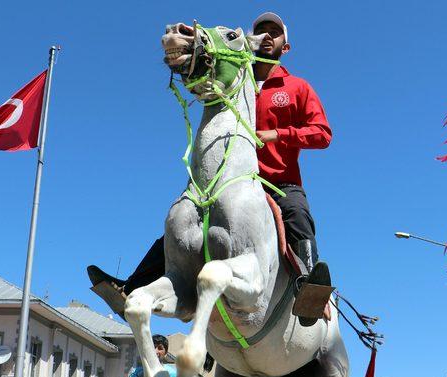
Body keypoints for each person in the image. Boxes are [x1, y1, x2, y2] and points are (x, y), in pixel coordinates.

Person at [86, 12, 333, 325]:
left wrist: (278, 134)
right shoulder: (231, 78)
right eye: (261, 31)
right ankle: (131, 286)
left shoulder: (297, 87)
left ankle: (310, 289)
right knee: (181, 226)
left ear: (286, 47)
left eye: (275, 32)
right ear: (252, 41)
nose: (267, 36)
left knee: (298, 214)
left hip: (277, 182)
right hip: (226, 182)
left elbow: (322, 134)